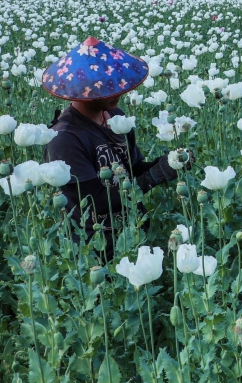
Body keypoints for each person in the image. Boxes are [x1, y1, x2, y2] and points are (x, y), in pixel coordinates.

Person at [43, 36, 186, 261]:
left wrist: (167, 163)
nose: (118, 90)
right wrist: (154, 177)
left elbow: (133, 168)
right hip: (96, 248)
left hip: (133, 233)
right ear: (83, 89)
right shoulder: (64, 139)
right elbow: (97, 201)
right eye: (107, 86)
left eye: (117, 82)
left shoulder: (116, 117)